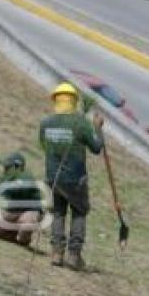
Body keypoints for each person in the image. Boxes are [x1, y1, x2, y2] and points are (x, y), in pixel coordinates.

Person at [39, 82, 104, 271]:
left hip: (53, 177)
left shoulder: (46, 123)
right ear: (74, 101)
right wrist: (98, 127)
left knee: (58, 212)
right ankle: (74, 255)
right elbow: (97, 147)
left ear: (56, 100)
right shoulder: (80, 123)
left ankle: (56, 253)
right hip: (75, 180)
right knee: (79, 211)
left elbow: (43, 147)